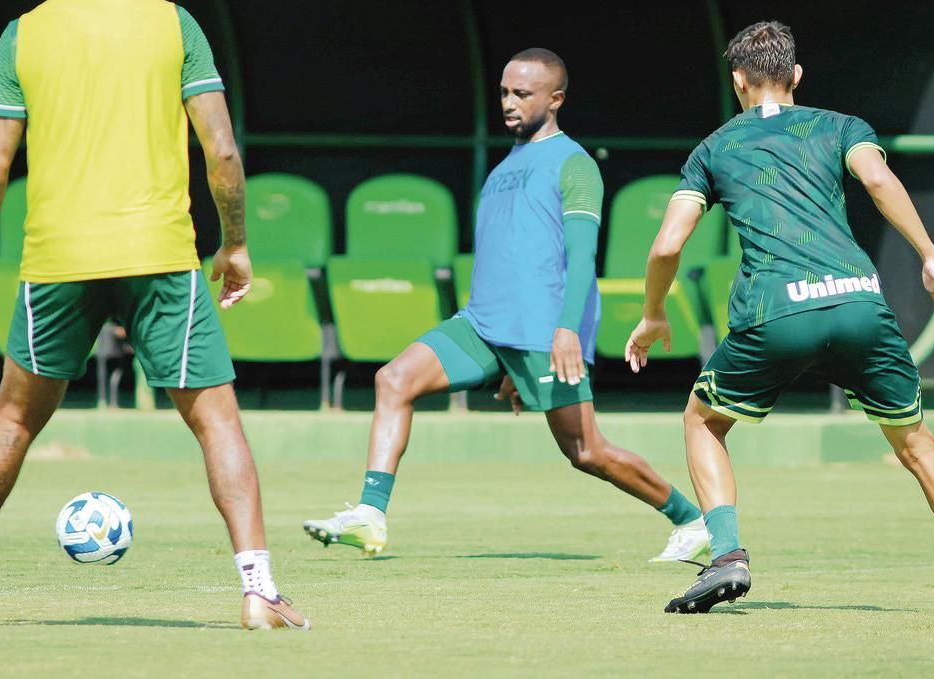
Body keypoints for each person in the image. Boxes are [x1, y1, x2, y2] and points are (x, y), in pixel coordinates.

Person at [0, 0, 309, 631]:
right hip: (160, 253)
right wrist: (234, 242)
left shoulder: (23, 33)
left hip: (56, 257)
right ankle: (258, 590)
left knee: (12, 419)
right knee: (218, 423)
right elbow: (222, 150)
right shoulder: (174, 24)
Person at [625, 21, 934, 616]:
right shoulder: (842, 127)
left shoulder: (714, 147)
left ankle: (728, 555)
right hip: (860, 303)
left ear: (737, 80)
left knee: (702, 420)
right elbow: (879, 178)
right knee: (918, 445)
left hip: (775, 313)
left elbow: (665, 246)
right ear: (797, 76)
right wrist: (930, 257)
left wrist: (654, 314)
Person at [303, 48, 710, 563]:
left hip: (545, 331)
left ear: (556, 99)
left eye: (522, 94)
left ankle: (690, 519)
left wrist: (566, 331)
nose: (509, 104)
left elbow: (584, 257)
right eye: (503, 93)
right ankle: (370, 514)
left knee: (586, 452)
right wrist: (502, 360)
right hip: (483, 325)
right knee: (393, 380)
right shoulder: (503, 168)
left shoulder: (576, 164)